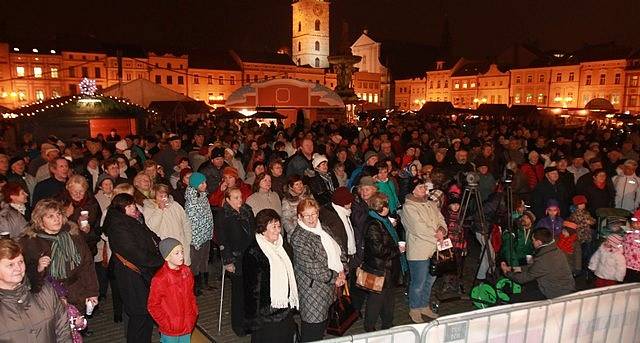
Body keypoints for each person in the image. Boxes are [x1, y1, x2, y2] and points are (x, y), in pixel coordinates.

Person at [19, 199, 99, 314]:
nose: (57, 219)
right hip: (48, 296)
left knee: (76, 328)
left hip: (76, 292)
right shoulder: (31, 242)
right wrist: (39, 268)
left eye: (58, 214)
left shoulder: (73, 235)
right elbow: (24, 276)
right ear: (40, 221)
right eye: (50, 216)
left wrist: (92, 292)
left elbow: (87, 265)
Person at [103, 193, 164, 343]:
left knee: (147, 311)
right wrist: (160, 260)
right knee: (138, 314)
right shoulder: (118, 226)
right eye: (128, 206)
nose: (133, 208)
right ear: (120, 209)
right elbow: (134, 253)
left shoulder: (134, 219)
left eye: (133, 205)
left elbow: (150, 235)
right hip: (132, 275)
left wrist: (163, 246)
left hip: (142, 273)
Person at [289, 198, 346, 342]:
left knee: (322, 330)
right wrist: (336, 277)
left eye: (314, 214)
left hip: (328, 288)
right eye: (306, 215)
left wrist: (343, 269)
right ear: (299, 216)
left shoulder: (323, 228)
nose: (311, 219)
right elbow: (312, 267)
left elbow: (338, 247)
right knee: (312, 331)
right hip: (313, 292)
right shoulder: (299, 237)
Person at [0, 238, 72, 342]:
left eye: (20, 262)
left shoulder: (44, 290)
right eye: (10, 265)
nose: (18, 268)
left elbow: (63, 330)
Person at [243, 209, 299, 343]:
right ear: (262, 229)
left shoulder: (283, 246)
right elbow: (251, 290)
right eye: (273, 226)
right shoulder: (253, 252)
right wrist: (253, 320)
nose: (278, 230)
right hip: (266, 315)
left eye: (279, 226)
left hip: (285, 309)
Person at [400, 183, 445, 323]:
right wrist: (436, 235)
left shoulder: (431, 204)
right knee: (418, 282)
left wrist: (442, 230)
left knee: (430, 280)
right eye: (420, 187)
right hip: (419, 250)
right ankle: (414, 309)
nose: (424, 189)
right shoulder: (408, 207)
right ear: (412, 190)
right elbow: (417, 228)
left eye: (424, 187)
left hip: (434, 248)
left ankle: (424, 305)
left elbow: (441, 219)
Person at [215, 186, 257, 336]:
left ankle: (250, 322)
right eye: (236, 198)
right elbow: (222, 239)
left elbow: (254, 232)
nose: (240, 200)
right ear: (227, 199)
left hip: (250, 256)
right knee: (238, 294)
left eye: (240, 197)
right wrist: (227, 261)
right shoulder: (223, 215)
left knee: (250, 292)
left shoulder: (248, 210)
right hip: (235, 257)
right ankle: (238, 325)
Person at [362, 192, 403, 331]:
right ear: (381, 208)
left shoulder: (383, 221)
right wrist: (398, 250)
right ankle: (369, 327)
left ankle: (387, 324)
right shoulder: (373, 224)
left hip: (389, 268)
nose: (389, 207)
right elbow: (378, 250)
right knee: (376, 300)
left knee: (389, 298)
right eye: (386, 205)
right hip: (379, 269)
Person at [500, 227, 575, 302]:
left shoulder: (544, 259)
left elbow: (524, 278)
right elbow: (536, 267)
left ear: (539, 242)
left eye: (533, 240)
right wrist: (516, 268)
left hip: (556, 293)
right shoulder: (554, 250)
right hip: (563, 286)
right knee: (528, 288)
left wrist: (507, 272)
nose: (532, 242)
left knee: (516, 299)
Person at [148, 238, 198, 343]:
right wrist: (167, 323)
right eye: (177, 253)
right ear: (167, 257)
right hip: (170, 330)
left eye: (182, 252)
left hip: (187, 324)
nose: (181, 255)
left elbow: (191, 295)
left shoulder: (186, 271)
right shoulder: (160, 279)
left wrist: (193, 313)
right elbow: (153, 306)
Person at [144, 184, 192, 266]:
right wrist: (160, 210)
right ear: (154, 197)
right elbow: (151, 226)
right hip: (166, 247)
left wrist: (188, 239)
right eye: (160, 196)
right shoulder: (149, 208)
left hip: (181, 244)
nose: (164, 198)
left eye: (165, 195)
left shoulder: (175, 205)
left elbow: (185, 222)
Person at [184, 172, 214, 296]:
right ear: (195, 185)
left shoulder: (203, 196)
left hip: (205, 235)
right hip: (196, 238)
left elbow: (207, 216)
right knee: (195, 263)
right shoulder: (191, 202)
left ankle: (204, 284)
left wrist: (209, 232)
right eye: (201, 183)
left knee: (204, 260)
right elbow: (192, 222)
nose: (205, 184)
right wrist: (195, 240)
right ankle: (195, 287)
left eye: (205, 182)